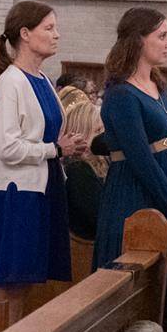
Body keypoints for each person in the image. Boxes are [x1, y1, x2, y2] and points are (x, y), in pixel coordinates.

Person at [92, 7, 167, 323]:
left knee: (163, 298)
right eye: (162, 36)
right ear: (137, 40)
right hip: (136, 198)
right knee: (131, 299)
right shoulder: (121, 94)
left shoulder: (158, 85)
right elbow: (142, 162)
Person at [0, 1, 83, 309]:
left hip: (43, 187)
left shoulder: (44, 80)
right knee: (13, 281)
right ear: (25, 34)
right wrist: (55, 149)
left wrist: (67, 145)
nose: (56, 35)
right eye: (49, 28)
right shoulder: (12, 81)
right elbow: (7, 147)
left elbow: (43, 135)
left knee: (31, 278)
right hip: (16, 193)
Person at [61, 99, 107, 240]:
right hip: (90, 247)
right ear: (81, 133)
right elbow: (99, 218)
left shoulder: (96, 163)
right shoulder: (77, 169)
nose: (103, 137)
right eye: (98, 131)